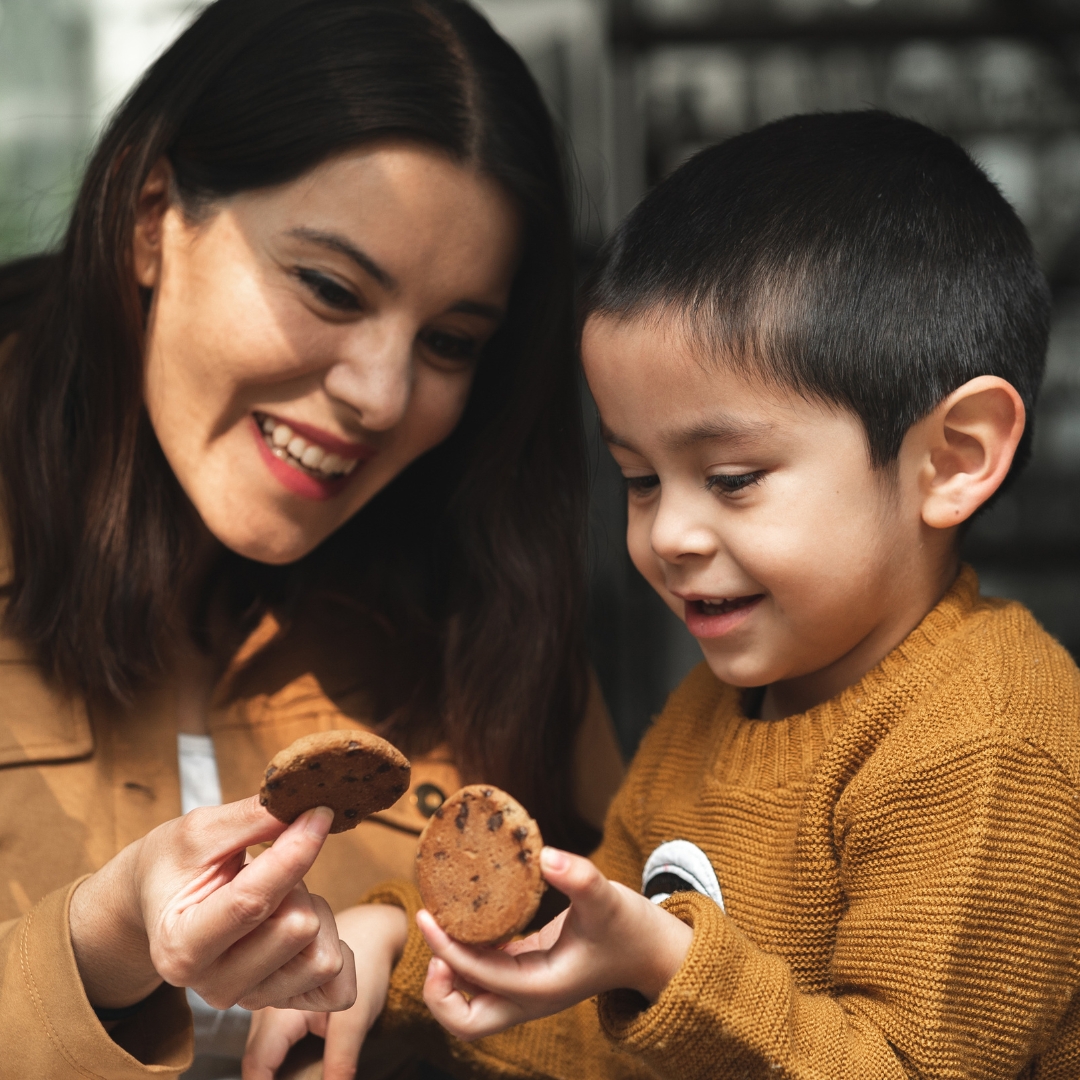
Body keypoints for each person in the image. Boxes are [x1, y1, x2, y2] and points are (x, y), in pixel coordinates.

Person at [266, 111, 1080, 1080]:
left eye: (732, 478)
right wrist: (399, 953)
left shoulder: (988, 740)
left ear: (953, 458)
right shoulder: (715, 709)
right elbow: (597, 1028)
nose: (669, 535)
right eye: (640, 479)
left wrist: (664, 965)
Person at [0, 1, 626, 1078]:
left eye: (450, 341)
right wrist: (97, 947)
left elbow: (634, 1003)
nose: (382, 396)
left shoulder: (484, 604)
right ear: (153, 218)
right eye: (330, 288)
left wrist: (424, 988)